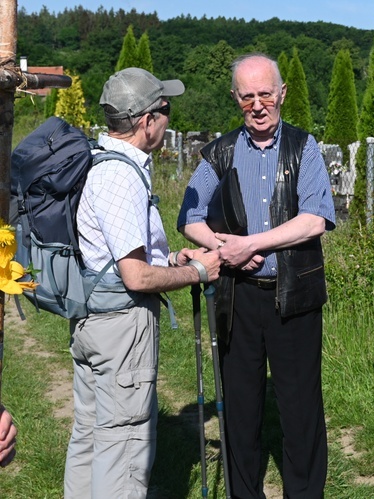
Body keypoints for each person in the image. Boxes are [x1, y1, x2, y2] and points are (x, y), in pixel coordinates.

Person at [177, 53, 335, 498]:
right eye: (248, 97)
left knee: (300, 407)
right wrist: (221, 246)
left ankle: (304, 493)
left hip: (294, 296)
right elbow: (189, 215)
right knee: (241, 408)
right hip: (239, 297)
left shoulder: (304, 148)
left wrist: (253, 244)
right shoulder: (220, 153)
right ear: (236, 99)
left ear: (282, 94)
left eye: (266, 94)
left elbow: (315, 219)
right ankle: (244, 493)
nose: (259, 105)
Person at [66, 67, 222, 499]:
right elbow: (136, 275)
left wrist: (172, 257)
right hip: (121, 327)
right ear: (145, 120)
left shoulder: (99, 161)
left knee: (91, 435)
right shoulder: (122, 176)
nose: (169, 117)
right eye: (165, 109)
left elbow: (120, 255)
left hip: (92, 318)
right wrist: (199, 271)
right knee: (125, 444)